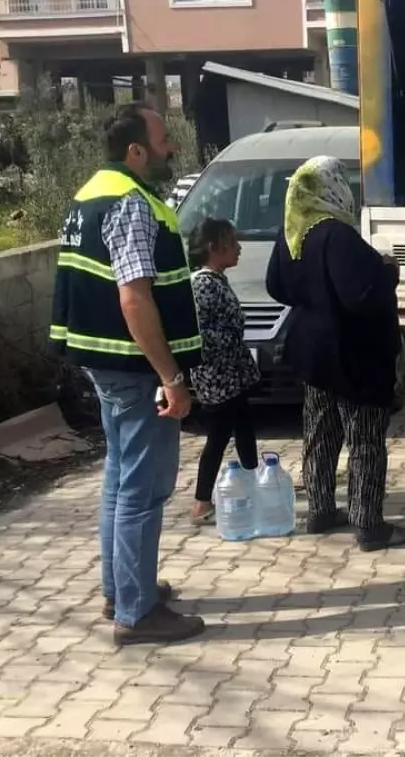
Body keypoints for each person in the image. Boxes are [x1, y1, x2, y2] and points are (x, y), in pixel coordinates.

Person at [49, 103, 205, 646]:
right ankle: (136, 615)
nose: (172, 149)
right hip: (137, 370)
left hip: (102, 362)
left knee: (119, 481)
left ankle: (123, 590)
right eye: (164, 140)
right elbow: (135, 298)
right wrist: (171, 376)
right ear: (136, 149)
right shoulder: (132, 204)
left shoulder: (88, 195)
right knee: (144, 488)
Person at [265, 155, 405, 552]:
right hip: (354, 354)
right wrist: (387, 270)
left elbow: (276, 286)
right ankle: (369, 525)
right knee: (364, 438)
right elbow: (361, 296)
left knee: (320, 432)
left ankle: (320, 509)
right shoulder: (338, 235)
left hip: (313, 353)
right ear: (333, 187)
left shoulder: (292, 232)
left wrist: (313, 296)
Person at [186, 218, 261, 524]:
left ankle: (254, 480)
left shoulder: (216, 279)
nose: (239, 248)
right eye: (232, 242)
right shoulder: (203, 284)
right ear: (213, 248)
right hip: (216, 378)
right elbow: (202, 334)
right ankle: (201, 502)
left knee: (244, 427)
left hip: (231, 376)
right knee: (218, 436)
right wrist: (232, 343)